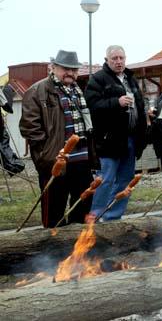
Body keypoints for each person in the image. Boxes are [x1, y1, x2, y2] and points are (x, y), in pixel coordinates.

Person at [20, 50, 95, 227]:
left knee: (83, 208)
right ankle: (52, 253)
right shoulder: (37, 91)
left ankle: (77, 251)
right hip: (55, 161)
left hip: (81, 160)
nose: (70, 73)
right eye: (65, 69)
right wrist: (47, 152)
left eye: (74, 69)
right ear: (53, 68)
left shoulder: (77, 90)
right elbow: (29, 127)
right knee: (53, 213)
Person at [86, 45, 146, 221]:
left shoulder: (130, 78)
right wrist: (116, 102)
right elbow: (93, 106)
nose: (119, 62)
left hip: (131, 139)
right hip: (109, 140)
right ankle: (95, 218)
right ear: (106, 60)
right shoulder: (97, 79)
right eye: (114, 59)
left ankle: (113, 217)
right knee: (105, 180)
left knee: (125, 181)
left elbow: (139, 106)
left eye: (121, 58)